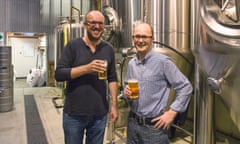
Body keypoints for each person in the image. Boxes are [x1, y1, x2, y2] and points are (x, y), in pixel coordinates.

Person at [55, 10, 118, 144]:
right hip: (74, 114)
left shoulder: (108, 49)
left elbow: (112, 78)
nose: (97, 26)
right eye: (93, 23)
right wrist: (86, 68)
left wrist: (114, 106)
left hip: (99, 114)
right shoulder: (73, 46)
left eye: (100, 23)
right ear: (85, 25)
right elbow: (59, 74)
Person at [123, 21, 193, 144]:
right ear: (133, 38)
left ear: (152, 39)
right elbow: (126, 88)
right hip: (132, 124)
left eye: (144, 36)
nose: (140, 40)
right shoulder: (131, 64)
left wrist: (172, 112)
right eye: (137, 36)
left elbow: (185, 87)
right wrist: (125, 93)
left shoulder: (163, 62)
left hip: (154, 128)